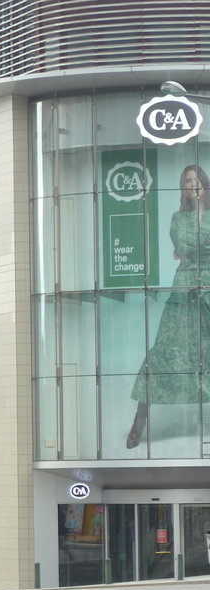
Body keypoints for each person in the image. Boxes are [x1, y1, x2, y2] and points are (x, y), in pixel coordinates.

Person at [127, 164, 210, 449]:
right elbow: (183, 245)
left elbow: (190, 247)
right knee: (163, 352)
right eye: (187, 180)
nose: (192, 184)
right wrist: (201, 243)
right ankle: (138, 423)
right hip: (183, 289)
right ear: (183, 187)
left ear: (204, 184)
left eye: (196, 179)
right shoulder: (178, 218)